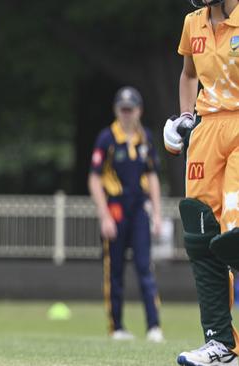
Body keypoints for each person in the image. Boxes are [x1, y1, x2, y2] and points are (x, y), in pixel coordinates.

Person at [163, 0, 239, 365]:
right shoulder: (193, 23)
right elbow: (189, 74)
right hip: (207, 130)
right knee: (201, 232)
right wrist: (185, 118)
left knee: (235, 231)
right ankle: (221, 344)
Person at [88, 86, 164, 343]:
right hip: (116, 208)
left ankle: (154, 326)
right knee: (115, 270)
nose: (127, 114)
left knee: (145, 267)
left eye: (131, 109)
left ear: (139, 111)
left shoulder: (146, 139)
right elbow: (95, 179)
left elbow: (152, 176)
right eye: (123, 109)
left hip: (139, 209)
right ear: (117, 110)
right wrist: (104, 216)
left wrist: (157, 214)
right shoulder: (107, 138)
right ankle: (116, 327)